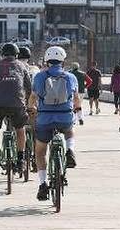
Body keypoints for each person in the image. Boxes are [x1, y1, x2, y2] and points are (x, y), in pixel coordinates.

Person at [30, 46, 81, 201]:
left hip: (44, 118)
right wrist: (78, 111)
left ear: (47, 61)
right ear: (63, 61)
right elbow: (76, 98)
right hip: (65, 117)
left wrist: (30, 108)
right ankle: (70, 151)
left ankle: (43, 183)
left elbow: (33, 97)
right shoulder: (70, 77)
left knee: (40, 151)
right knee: (69, 131)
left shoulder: (39, 76)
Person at [0, 43, 34, 168]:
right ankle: (21, 159)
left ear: (2, 55)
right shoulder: (22, 66)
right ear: (16, 55)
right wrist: (28, 102)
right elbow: (29, 88)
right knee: (20, 129)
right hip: (17, 104)